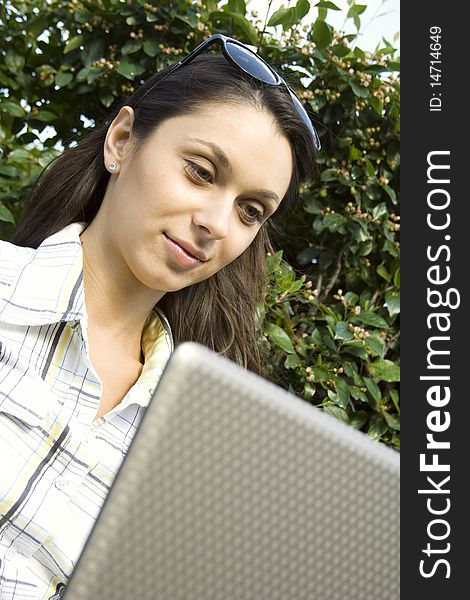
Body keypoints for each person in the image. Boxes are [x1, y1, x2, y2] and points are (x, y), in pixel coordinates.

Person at [0, 34, 318, 599]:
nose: (219, 224)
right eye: (200, 172)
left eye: (251, 211)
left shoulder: (200, 447)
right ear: (122, 141)